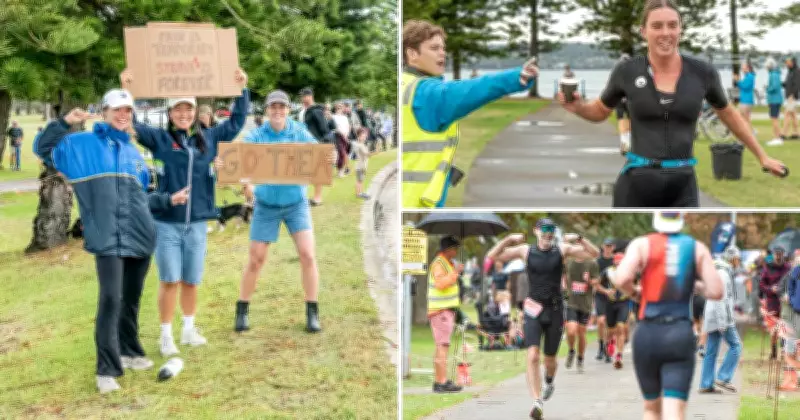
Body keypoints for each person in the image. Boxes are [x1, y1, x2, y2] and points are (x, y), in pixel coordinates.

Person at [558, 0, 786, 207]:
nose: (665, 33)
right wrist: (577, 107)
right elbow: (599, 110)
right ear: (643, 31)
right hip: (637, 182)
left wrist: (762, 156)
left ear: (680, 30)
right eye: (657, 26)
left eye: (672, 25)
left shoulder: (702, 73)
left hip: (683, 183)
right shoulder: (627, 71)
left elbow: (729, 114)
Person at [33, 90, 186, 393]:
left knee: (130, 299)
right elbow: (43, 147)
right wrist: (66, 122)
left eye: (128, 110)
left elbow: (141, 197)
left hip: (141, 235)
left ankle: (129, 352)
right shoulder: (81, 145)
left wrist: (168, 199)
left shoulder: (133, 152)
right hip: (106, 236)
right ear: (103, 111)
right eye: (117, 110)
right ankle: (106, 369)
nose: (123, 115)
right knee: (111, 299)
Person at [121, 69, 250, 357]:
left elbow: (238, 121)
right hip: (167, 223)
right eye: (178, 109)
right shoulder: (160, 140)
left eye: (188, 109)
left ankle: (188, 329)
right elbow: (131, 124)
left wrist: (242, 89)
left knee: (192, 279)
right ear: (170, 112)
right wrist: (127, 88)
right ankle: (166, 335)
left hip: (198, 223)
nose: (184, 114)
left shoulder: (209, 137)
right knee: (170, 280)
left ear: (194, 112)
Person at [401, 19, 538, 208]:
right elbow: (469, 90)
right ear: (412, 53)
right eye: (434, 48)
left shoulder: (403, 85)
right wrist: (515, 78)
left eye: (443, 48)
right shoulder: (426, 93)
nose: (443, 53)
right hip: (415, 206)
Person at [233, 90, 336, 334]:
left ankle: (312, 311)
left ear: (288, 109)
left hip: (295, 203)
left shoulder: (299, 132)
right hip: (266, 204)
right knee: (256, 259)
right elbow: (240, 163)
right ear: (267, 110)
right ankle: (242, 309)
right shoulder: (257, 135)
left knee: (307, 254)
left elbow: (318, 156)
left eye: (282, 107)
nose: (277, 111)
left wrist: (328, 157)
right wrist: (245, 182)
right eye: (273, 107)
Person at [613, 212, 723, 420]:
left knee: (651, 408)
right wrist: (694, 285)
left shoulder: (642, 244)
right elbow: (716, 291)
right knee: (675, 410)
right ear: (680, 220)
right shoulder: (696, 248)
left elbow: (622, 278)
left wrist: (636, 293)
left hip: (648, 332)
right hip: (679, 332)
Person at [485, 218, 599, 420]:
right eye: (545, 229)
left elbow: (594, 254)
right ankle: (536, 402)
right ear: (536, 231)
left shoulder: (561, 250)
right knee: (532, 356)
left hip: (555, 310)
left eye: (551, 230)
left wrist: (579, 239)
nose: (548, 234)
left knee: (550, 360)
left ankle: (549, 380)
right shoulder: (525, 251)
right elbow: (493, 256)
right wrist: (508, 239)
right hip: (533, 309)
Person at [699, 247, 742, 394]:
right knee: (736, 346)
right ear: (733, 259)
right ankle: (723, 377)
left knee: (711, 350)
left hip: (714, 316)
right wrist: (723, 322)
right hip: (721, 316)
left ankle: (706, 384)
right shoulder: (724, 273)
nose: (739, 262)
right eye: (738, 259)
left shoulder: (720, 270)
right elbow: (720, 299)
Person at [427, 236, 465, 393]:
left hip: (444, 310)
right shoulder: (439, 263)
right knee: (443, 346)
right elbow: (440, 284)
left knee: (441, 346)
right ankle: (441, 382)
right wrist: (455, 273)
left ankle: (439, 381)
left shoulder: (446, 263)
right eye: (455, 248)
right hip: (441, 311)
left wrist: (455, 272)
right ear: (448, 249)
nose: (456, 251)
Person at [563, 250, 600, 373]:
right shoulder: (568, 262)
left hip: (585, 303)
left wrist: (590, 280)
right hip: (571, 302)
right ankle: (571, 350)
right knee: (571, 330)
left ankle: (580, 358)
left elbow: (596, 281)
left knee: (581, 332)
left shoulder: (591, 263)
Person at [598, 252, 630, 368]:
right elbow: (597, 284)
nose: (619, 262)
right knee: (610, 330)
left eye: (621, 260)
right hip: (610, 303)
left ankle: (619, 356)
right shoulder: (607, 271)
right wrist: (606, 291)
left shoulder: (630, 271)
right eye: (617, 260)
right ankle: (610, 342)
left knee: (621, 327)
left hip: (624, 302)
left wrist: (634, 291)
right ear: (614, 261)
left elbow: (638, 283)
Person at [300, 87, 331, 206]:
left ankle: (318, 198)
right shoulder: (307, 110)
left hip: (317, 144)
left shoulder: (316, 111)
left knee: (317, 173)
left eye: (304, 96)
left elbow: (324, 129)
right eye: (302, 97)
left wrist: (323, 144)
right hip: (308, 144)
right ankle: (310, 197)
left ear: (310, 96)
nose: (302, 99)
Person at [760, 246, 791, 359]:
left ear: (783, 254)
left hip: (785, 302)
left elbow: (794, 281)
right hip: (772, 302)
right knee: (774, 328)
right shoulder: (767, 268)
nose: (778, 256)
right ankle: (773, 351)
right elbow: (762, 285)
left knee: (785, 326)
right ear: (773, 255)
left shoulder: (788, 268)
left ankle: (784, 350)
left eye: (780, 254)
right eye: (776, 254)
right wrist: (771, 289)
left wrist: (789, 293)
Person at [594, 238, 615, 362]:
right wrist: (605, 290)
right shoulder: (598, 262)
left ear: (613, 247)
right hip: (600, 295)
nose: (608, 248)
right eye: (606, 246)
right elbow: (595, 282)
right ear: (603, 246)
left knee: (610, 325)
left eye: (610, 246)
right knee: (601, 321)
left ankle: (608, 349)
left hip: (613, 296)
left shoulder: (616, 261)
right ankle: (601, 346)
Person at [352, 127, 377, 200]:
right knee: (359, 180)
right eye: (363, 136)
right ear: (359, 136)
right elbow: (367, 154)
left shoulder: (361, 144)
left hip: (362, 166)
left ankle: (361, 192)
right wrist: (376, 152)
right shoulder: (360, 145)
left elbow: (366, 155)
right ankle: (358, 193)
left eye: (365, 136)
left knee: (361, 180)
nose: (364, 137)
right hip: (360, 166)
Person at [765, 58, 785, 146]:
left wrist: (767, 88)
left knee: (774, 119)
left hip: (775, 100)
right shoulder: (775, 74)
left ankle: (778, 138)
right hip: (775, 99)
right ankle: (778, 137)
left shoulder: (773, 74)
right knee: (775, 118)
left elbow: (775, 87)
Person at [615, 54, 632, 155]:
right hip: (623, 99)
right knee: (623, 120)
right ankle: (625, 144)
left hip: (626, 99)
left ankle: (626, 144)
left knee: (627, 121)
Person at [782, 57, 800, 139]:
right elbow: (787, 83)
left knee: (787, 113)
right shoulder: (789, 71)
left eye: (788, 62)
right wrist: (782, 84)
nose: (787, 63)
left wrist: (792, 95)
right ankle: (797, 133)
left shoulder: (796, 71)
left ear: (793, 62)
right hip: (788, 96)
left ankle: (784, 134)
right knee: (793, 115)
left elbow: (797, 84)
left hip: (792, 97)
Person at [735, 62, 755, 130]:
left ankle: (750, 132)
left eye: (744, 68)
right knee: (745, 118)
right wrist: (738, 82)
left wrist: (737, 81)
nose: (743, 70)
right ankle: (751, 132)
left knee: (743, 118)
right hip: (745, 100)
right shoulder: (747, 76)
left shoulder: (750, 76)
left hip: (746, 101)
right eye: (742, 68)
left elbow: (745, 87)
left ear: (748, 68)